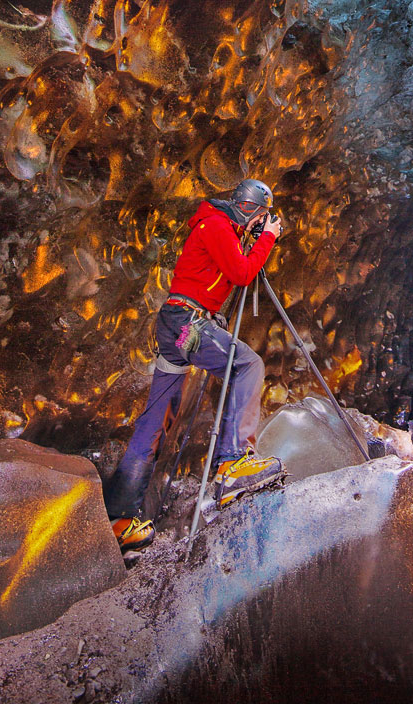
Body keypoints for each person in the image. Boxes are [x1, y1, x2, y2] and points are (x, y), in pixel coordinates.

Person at [104, 179, 284, 550]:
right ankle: (232, 463)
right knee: (247, 365)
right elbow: (242, 273)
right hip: (189, 322)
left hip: (176, 325)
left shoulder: (220, 227)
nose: (262, 223)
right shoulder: (217, 225)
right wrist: (267, 239)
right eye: (262, 216)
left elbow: (233, 269)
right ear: (251, 209)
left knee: (155, 421)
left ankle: (120, 519)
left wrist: (254, 238)